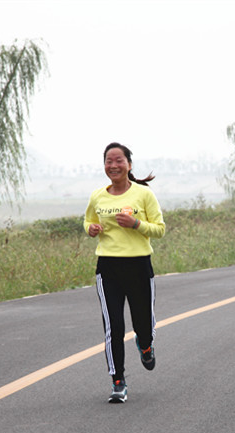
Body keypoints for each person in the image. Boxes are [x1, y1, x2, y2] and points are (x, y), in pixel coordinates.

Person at [84, 142, 166, 403]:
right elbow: (88, 220)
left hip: (139, 266)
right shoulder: (98, 196)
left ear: (129, 165)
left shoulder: (143, 195)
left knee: (144, 324)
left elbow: (159, 229)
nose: (114, 165)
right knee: (114, 327)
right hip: (108, 269)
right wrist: (91, 229)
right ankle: (118, 381)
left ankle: (145, 345)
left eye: (119, 160)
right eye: (109, 161)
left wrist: (136, 224)